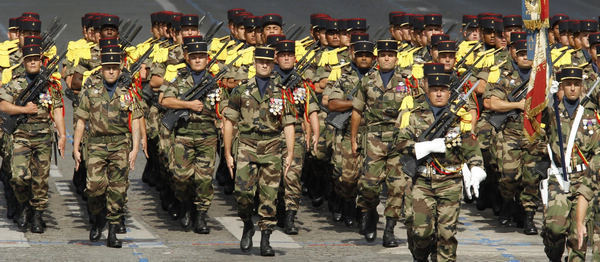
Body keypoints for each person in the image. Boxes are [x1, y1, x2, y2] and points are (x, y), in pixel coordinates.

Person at [396, 73, 485, 262]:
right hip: (422, 181)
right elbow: (400, 143)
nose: (438, 94)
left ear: (449, 93)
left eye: (443, 90)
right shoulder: (414, 116)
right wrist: (423, 147)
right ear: (427, 92)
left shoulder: (459, 119)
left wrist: (476, 167)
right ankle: (419, 257)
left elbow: (471, 147)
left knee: (446, 235)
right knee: (421, 234)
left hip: (450, 182)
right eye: (435, 90)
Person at [222, 46, 296, 256]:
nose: (264, 65)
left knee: (269, 195)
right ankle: (247, 223)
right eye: (260, 61)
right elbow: (229, 121)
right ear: (254, 63)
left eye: (268, 62)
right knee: (242, 193)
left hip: (272, 146)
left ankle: (265, 239)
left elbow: (289, 124)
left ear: (273, 64)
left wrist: (289, 153)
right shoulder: (241, 90)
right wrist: (227, 153)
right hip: (247, 145)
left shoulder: (282, 91)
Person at [73, 45, 144, 248]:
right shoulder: (91, 92)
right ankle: (97, 219)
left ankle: (113, 231)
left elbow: (137, 120)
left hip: (120, 145)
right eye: (107, 67)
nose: (111, 71)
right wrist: (76, 147)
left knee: (118, 189)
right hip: (95, 145)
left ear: (120, 69)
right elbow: (81, 121)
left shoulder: (128, 93)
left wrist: (135, 148)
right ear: (101, 70)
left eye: (115, 67)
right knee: (94, 187)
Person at [0, 42, 66, 233]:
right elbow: (3, 105)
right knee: (19, 176)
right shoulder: (16, 82)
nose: (33, 62)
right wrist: (23, 109)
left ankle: (37, 214)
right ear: (24, 61)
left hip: (44, 137)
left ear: (41, 61)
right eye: (30, 59)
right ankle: (23, 205)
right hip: (21, 135)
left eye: (36, 59)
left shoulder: (50, 85)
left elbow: (58, 110)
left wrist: (62, 135)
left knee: (40, 180)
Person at [160, 40, 217, 234]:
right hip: (183, 136)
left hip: (207, 137)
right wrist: (188, 105)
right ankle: (184, 204)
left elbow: (224, 107)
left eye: (201, 57)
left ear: (207, 59)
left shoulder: (214, 82)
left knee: (204, 180)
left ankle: (200, 215)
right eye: (194, 57)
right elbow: (165, 100)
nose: (198, 60)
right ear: (187, 58)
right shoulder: (180, 79)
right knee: (181, 177)